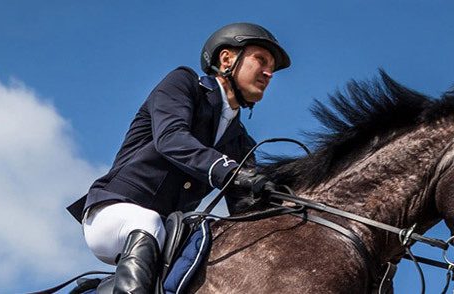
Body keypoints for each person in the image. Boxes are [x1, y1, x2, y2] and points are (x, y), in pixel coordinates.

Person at [65, 22, 290, 293]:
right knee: (146, 222)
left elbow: (245, 208)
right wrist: (231, 171)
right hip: (113, 212)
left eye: (272, 69)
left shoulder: (242, 142)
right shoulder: (183, 83)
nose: (268, 73)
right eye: (261, 60)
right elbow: (171, 139)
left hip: (170, 233)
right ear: (227, 58)